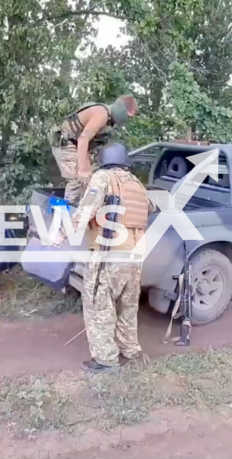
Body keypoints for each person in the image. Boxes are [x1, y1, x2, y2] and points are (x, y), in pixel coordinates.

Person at [55, 143, 156, 371]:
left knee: (98, 303)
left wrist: (62, 234)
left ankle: (106, 359)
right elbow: (150, 207)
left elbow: (86, 210)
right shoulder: (134, 182)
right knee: (127, 305)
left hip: (110, 254)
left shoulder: (102, 177)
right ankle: (131, 351)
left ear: (103, 160)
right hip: (135, 256)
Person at [50, 96, 138, 204]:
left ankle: (81, 208)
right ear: (122, 111)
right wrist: (83, 169)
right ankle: (67, 211)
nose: (128, 119)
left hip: (78, 144)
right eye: (128, 116)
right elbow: (83, 138)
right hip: (67, 142)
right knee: (77, 179)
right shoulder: (102, 114)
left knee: (91, 178)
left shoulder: (108, 119)